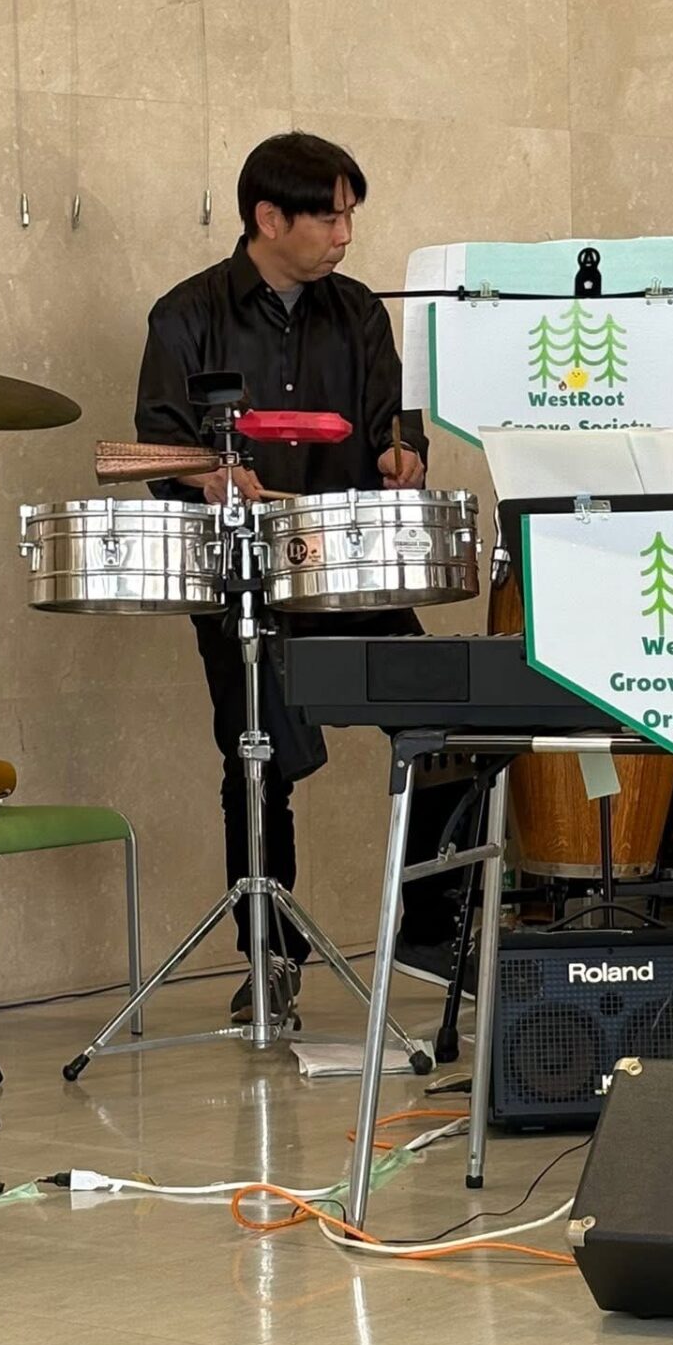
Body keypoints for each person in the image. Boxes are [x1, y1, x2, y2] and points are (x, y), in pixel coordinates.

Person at [135, 132, 472, 1024]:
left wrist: (403, 455)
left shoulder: (359, 313)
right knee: (255, 762)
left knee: (445, 729)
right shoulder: (186, 315)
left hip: (352, 566)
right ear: (269, 218)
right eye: (330, 217)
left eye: (351, 215)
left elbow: (394, 422)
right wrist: (210, 475)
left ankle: (442, 932)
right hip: (243, 577)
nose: (345, 235)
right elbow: (160, 443)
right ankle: (270, 959)